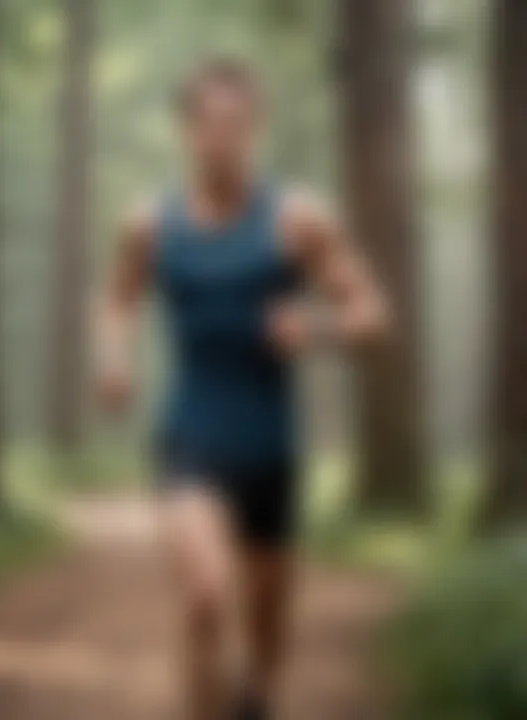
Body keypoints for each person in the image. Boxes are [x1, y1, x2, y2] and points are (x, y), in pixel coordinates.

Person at [95, 57, 390, 720]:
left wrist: (316, 326)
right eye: (208, 122)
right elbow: (116, 300)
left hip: (270, 447)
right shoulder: (149, 223)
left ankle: (255, 701)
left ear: (255, 128)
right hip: (190, 436)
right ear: (186, 130)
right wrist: (114, 358)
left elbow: (372, 314)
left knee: (265, 634)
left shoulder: (297, 219)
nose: (222, 135)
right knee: (204, 593)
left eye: (236, 122)